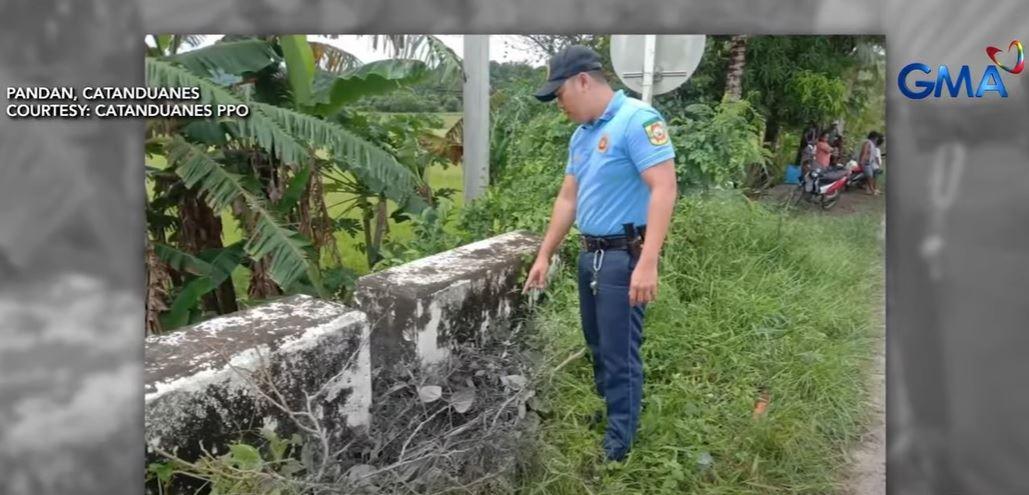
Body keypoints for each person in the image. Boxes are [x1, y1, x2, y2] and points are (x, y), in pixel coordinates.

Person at [521, 45, 678, 462]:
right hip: (589, 255)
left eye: (560, 94)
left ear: (584, 81)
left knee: (619, 350)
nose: (560, 104)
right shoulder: (582, 134)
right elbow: (567, 200)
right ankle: (613, 415)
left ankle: (619, 445)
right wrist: (544, 255)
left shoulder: (638, 120)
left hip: (624, 257)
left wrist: (648, 262)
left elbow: (664, 188)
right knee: (595, 343)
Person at [859, 131, 882, 195]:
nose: (877, 139)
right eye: (876, 137)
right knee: (869, 176)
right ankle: (872, 190)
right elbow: (864, 152)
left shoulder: (872, 144)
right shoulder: (867, 143)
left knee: (871, 176)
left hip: (870, 163)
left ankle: (871, 189)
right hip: (865, 162)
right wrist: (861, 161)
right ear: (874, 137)